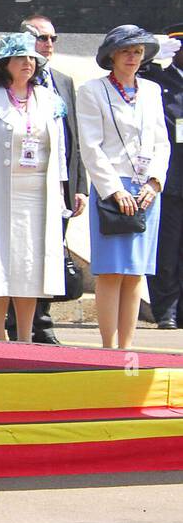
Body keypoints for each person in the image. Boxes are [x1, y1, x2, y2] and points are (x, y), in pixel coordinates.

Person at [0, 15, 88, 342]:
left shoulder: (63, 82)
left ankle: (39, 324)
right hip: (11, 187)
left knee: (45, 257)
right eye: (42, 39)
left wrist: (78, 186)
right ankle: (18, 326)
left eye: (52, 39)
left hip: (54, 186)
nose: (48, 45)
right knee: (13, 259)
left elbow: (72, 139)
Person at [0, 34, 69, 342]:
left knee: (30, 265)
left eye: (32, 58)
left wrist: (62, 194)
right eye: (20, 58)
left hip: (39, 194)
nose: (27, 63)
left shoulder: (49, 100)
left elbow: (59, 153)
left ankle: (25, 335)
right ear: (5, 64)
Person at [77, 25, 171, 349]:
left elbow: (162, 141)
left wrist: (155, 182)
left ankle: (126, 347)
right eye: (127, 51)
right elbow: (90, 147)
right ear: (112, 55)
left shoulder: (152, 91)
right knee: (110, 271)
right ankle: (107, 346)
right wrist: (114, 190)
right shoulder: (92, 91)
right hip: (112, 188)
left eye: (138, 51)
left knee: (135, 272)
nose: (133, 57)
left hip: (146, 191)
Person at [142, 23, 183, 328]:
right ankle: (166, 310)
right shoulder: (158, 80)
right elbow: (131, 70)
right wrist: (154, 53)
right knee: (166, 251)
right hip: (171, 181)